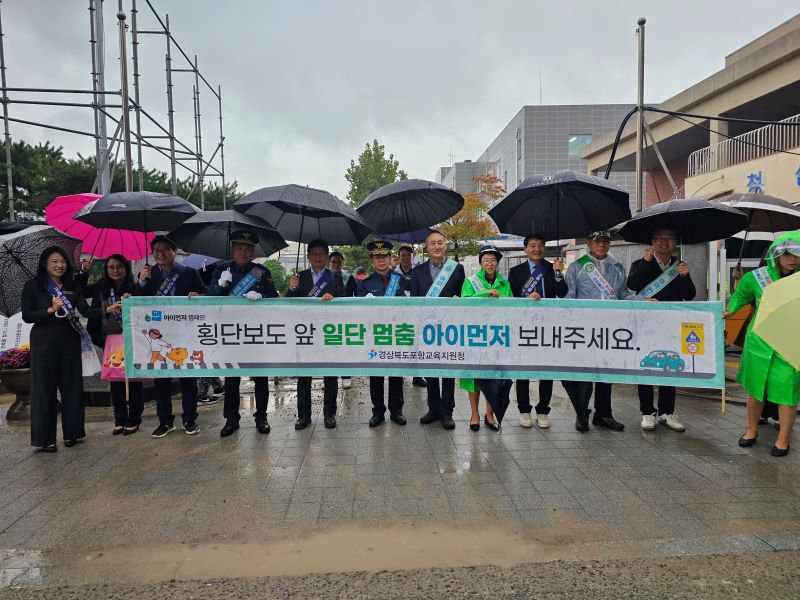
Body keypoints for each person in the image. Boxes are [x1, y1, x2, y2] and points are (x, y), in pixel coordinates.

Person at [724, 231, 800, 457]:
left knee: (788, 391)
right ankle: (752, 430)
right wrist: (731, 309)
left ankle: (783, 438)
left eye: (797, 254)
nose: (792, 259)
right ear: (776, 255)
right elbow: (741, 295)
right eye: (786, 254)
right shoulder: (757, 277)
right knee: (755, 390)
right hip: (759, 340)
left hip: (790, 343)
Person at [21, 247, 102, 452]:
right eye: (54, 261)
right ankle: (45, 439)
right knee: (44, 390)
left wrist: (106, 310)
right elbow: (28, 315)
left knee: (72, 388)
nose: (60, 265)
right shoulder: (33, 286)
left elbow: (84, 310)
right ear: (44, 264)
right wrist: (50, 309)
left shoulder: (73, 285)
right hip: (44, 343)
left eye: (63, 261)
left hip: (69, 340)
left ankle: (72, 433)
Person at [563, 231, 638, 432]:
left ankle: (603, 414)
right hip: (584, 328)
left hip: (610, 328)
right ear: (589, 244)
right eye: (598, 242)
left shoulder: (618, 267)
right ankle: (581, 413)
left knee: (606, 371)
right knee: (584, 372)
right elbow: (569, 298)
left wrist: (641, 301)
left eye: (605, 241)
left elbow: (623, 295)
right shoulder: (576, 267)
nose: (602, 245)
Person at [206, 230, 278, 437]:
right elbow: (209, 297)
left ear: (252, 251)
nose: (243, 252)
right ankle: (231, 419)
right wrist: (221, 285)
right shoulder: (221, 269)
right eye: (239, 248)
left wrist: (261, 294)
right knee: (231, 378)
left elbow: (273, 298)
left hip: (256, 332)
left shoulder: (261, 272)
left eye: (247, 249)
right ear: (232, 250)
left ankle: (261, 416)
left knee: (261, 376)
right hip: (231, 332)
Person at [135, 235, 206, 438]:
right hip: (159, 335)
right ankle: (165, 421)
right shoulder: (148, 274)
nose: (160, 254)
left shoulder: (189, 273)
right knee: (161, 380)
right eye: (156, 250)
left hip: (185, 333)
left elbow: (205, 291)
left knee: (188, 379)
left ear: (174, 252)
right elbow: (137, 302)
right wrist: (141, 281)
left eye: (165, 249)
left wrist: (198, 295)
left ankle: (190, 419)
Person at [627, 228, 695, 432]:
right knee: (646, 366)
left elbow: (689, 295)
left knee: (670, 365)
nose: (665, 242)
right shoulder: (640, 264)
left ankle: (667, 412)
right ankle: (647, 412)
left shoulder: (679, 266)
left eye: (670, 238)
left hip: (671, 323)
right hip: (646, 323)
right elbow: (633, 285)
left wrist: (685, 276)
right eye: (660, 238)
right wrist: (647, 263)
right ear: (652, 241)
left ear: (676, 243)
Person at [507, 233, 567, 429]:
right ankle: (524, 409)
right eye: (532, 245)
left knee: (545, 369)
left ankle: (543, 410)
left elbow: (563, 294)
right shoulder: (516, 271)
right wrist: (525, 298)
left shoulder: (552, 268)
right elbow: (511, 298)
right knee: (523, 369)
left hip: (548, 326)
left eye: (541, 245)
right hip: (524, 326)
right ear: (525, 249)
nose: (537, 249)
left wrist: (559, 275)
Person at [410, 229, 465, 430]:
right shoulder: (418, 272)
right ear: (427, 247)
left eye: (440, 242)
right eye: (432, 243)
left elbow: (463, 296)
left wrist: (459, 301)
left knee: (448, 370)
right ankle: (433, 409)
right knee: (431, 370)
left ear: (445, 244)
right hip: (427, 328)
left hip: (449, 329)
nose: (436, 246)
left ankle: (447, 411)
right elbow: (414, 301)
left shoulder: (456, 269)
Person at [287, 239, 345, 430]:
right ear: (308, 256)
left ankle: (329, 414)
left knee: (330, 375)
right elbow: (288, 304)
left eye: (322, 254)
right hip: (305, 334)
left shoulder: (335, 278)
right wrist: (292, 288)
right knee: (304, 375)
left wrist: (334, 299)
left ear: (327, 257)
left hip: (329, 334)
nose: (318, 257)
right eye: (314, 254)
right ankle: (303, 415)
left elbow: (345, 305)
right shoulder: (299, 277)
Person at [90, 254, 144, 435]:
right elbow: (91, 308)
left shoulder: (135, 286)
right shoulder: (100, 287)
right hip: (112, 339)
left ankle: (134, 418)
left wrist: (134, 298)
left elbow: (144, 309)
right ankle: (120, 418)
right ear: (106, 269)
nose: (115, 270)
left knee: (134, 380)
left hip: (132, 338)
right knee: (115, 379)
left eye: (119, 266)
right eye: (111, 267)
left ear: (126, 268)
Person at [460, 245, 512, 432]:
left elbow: (512, 307)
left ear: (497, 262)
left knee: (493, 377)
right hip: (475, 334)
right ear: (480, 263)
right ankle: (474, 413)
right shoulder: (470, 281)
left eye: (493, 260)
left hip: (497, 336)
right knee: (474, 376)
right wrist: (486, 293)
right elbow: (464, 302)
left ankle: (490, 414)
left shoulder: (505, 284)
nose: (490, 264)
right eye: (486, 260)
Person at [357, 240, 408, 427]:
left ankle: (397, 411)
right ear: (372, 260)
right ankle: (377, 411)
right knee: (376, 374)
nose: (381, 260)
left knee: (396, 373)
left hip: (397, 333)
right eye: (377, 257)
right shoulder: (364, 283)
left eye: (384, 256)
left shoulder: (400, 280)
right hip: (375, 335)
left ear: (390, 259)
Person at [329, 251, 357, 389]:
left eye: (339, 262)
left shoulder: (349, 278)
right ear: (329, 263)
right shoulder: (324, 278)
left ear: (343, 263)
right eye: (333, 262)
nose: (336, 264)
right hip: (328, 320)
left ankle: (346, 376)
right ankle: (330, 377)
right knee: (330, 349)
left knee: (345, 348)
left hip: (345, 318)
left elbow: (354, 296)